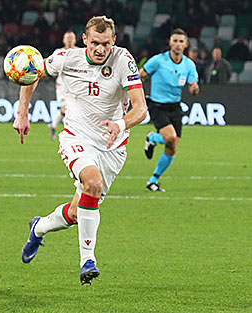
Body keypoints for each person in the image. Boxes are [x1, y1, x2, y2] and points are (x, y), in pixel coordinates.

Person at [13, 16, 147, 285]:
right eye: (95, 43)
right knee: (92, 183)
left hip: (112, 145)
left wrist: (120, 125)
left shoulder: (123, 60)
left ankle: (38, 227)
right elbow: (33, 72)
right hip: (76, 136)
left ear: (114, 41)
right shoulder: (66, 58)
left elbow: (141, 109)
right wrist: (23, 112)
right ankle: (88, 260)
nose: (100, 49)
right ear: (84, 39)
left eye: (106, 44)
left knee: (77, 213)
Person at [140, 28, 199, 192]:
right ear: (170, 43)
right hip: (158, 106)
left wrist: (194, 88)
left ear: (186, 45)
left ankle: (153, 181)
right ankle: (152, 137)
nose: (178, 44)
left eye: (181, 41)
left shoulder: (189, 65)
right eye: (175, 41)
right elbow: (141, 74)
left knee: (172, 147)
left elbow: (194, 88)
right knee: (170, 137)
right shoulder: (158, 61)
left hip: (175, 107)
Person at [48, 30, 77, 140]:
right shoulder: (58, 52)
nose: (69, 40)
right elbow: (52, 68)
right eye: (67, 38)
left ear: (75, 40)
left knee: (69, 108)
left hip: (76, 85)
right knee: (66, 108)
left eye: (71, 38)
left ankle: (53, 126)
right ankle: (69, 131)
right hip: (63, 85)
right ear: (63, 40)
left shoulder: (80, 52)